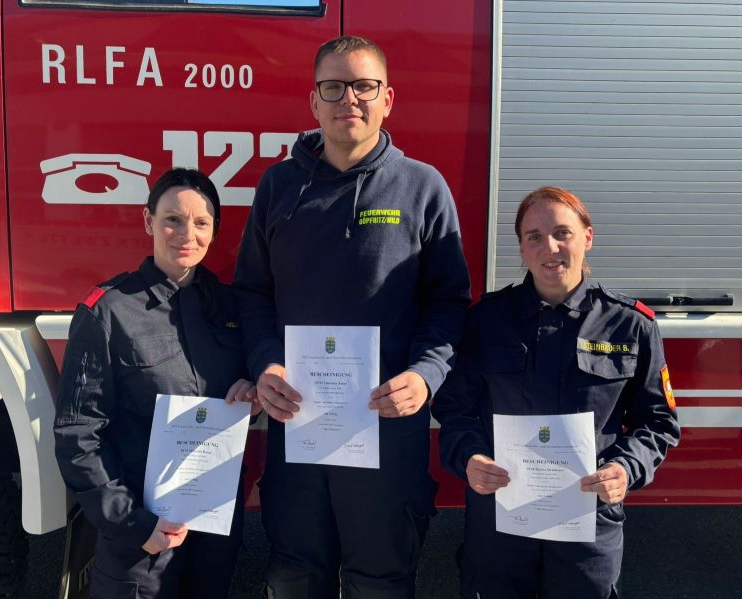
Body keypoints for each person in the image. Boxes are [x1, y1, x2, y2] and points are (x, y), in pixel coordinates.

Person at [233, 35, 471, 598]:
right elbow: (252, 293)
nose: (349, 99)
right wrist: (266, 363)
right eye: (334, 87)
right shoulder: (279, 186)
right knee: (296, 575)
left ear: (388, 98)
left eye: (364, 86)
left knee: (381, 580)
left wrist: (425, 376)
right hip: (298, 428)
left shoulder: (423, 188)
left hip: (386, 429)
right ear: (314, 102)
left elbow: (448, 301)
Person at [432, 186, 681, 598]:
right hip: (500, 523)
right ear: (521, 248)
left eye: (562, 233)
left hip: (588, 527)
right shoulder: (485, 321)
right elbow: (455, 410)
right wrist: (470, 459)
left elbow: (657, 422)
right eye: (534, 236)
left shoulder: (631, 326)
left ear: (587, 237)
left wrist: (625, 468)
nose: (550, 247)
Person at [54, 168, 258, 599]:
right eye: (172, 220)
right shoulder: (109, 312)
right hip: (139, 544)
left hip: (212, 532)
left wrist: (252, 395)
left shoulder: (230, 307)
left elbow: (247, 388)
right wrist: (133, 523)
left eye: (201, 223)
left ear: (214, 231)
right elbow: (78, 436)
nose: (187, 234)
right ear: (148, 221)